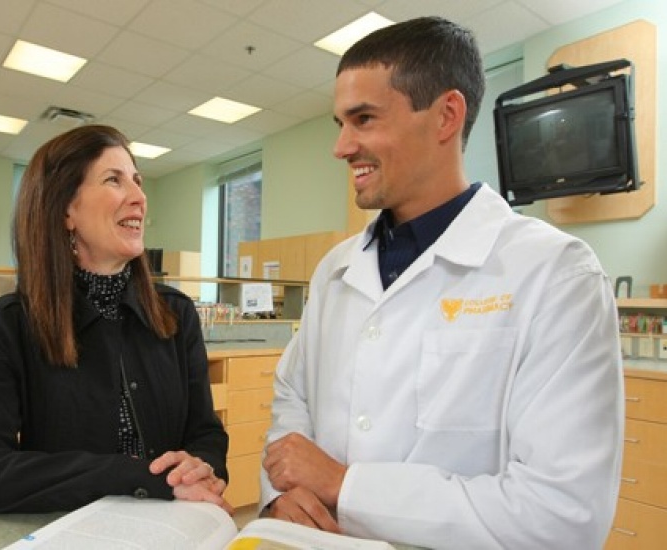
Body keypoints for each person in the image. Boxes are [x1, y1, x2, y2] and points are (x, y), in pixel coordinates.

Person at [259, 16, 623, 550]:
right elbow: (294, 393)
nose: (341, 146)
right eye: (340, 122)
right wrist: (282, 493)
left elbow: (564, 514)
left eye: (363, 119)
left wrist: (344, 486)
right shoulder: (337, 270)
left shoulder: (554, 274)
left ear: (446, 116)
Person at [0, 125, 230, 514]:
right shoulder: (13, 323)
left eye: (137, 180)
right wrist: (132, 475)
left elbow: (205, 433)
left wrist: (203, 466)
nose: (139, 197)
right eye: (114, 180)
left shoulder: (176, 313)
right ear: (66, 209)